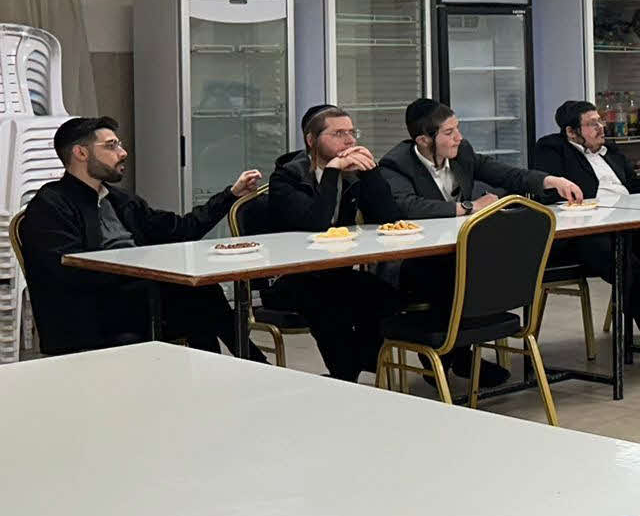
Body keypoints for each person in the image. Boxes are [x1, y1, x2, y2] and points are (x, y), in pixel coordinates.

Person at [379, 99, 586, 388]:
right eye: (449, 132)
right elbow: (407, 206)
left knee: (483, 263)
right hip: (412, 261)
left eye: (458, 128)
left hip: (457, 250)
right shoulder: (396, 164)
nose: (459, 137)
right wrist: (468, 207)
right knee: (452, 271)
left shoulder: (462, 153)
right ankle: (456, 355)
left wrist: (552, 181)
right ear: (424, 140)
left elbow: (508, 174)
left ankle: (461, 351)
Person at [15, 116, 262, 356]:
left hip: (139, 300)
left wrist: (230, 195)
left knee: (201, 296)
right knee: (198, 301)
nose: (122, 153)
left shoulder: (121, 200)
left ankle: (236, 368)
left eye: (119, 145)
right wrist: (146, 271)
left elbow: (179, 229)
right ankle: (250, 367)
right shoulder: (50, 206)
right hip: (90, 316)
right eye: (111, 146)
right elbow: (69, 270)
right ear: (81, 153)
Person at [532, 99, 640, 353]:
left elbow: (636, 186)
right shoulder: (552, 150)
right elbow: (552, 197)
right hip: (585, 232)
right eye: (592, 124)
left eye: (600, 121)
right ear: (571, 132)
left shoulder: (611, 151)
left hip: (627, 224)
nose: (601, 127)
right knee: (623, 261)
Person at [262, 104, 401, 381]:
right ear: (311, 140)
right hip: (292, 276)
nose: (349, 141)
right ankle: (346, 375)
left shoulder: (352, 172)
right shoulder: (286, 177)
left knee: (388, 298)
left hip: (336, 271)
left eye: (352, 133)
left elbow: (388, 218)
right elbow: (316, 224)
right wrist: (332, 172)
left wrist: (371, 173)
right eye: (338, 134)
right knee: (330, 307)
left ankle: (358, 365)